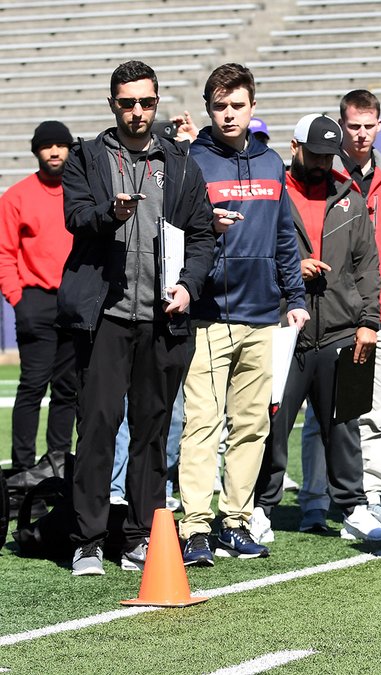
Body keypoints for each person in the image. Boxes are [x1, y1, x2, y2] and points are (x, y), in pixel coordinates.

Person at [61, 61, 216, 576]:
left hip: (161, 317)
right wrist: (112, 214)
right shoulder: (87, 156)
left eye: (145, 102)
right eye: (127, 102)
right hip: (104, 315)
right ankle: (86, 540)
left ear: (156, 103)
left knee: (153, 430)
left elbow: (201, 234)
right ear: (112, 104)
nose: (136, 111)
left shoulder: (178, 162)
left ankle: (139, 536)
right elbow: (76, 216)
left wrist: (189, 286)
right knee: (99, 426)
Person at [176, 64, 309, 566]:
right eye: (219, 107)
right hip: (208, 314)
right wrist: (205, 224)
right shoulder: (190, 161)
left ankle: (235, 521)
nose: (228, 115)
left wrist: (293, 297)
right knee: (202, 425)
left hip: (261, 315)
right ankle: (194, 528)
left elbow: (282, 238)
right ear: (209, 108)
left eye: (237, 106)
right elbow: (171, 230)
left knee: (253, 426)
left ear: (253, 108)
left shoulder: (274, 164)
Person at [251, 113, 381, 544]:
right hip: (283, 328)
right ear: (294, 147)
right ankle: (259, 507)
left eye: (329, 155)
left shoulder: (348, 194)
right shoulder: (271, 193)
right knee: (271, 424)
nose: (322, 163)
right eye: (314, 154)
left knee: (345, 423)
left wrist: (369, 322)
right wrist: (292, 270)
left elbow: (368, 265)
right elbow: (253, 254)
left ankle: (352, 508)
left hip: (339, 329)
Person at [287, 89, 381, 532]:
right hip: (326, 317)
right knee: (318, 421)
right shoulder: (327, 172)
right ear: (342, 126)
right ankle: (312, 499)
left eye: (369, 126)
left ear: (379, 126)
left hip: (375, 316)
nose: (361, 133)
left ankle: (367, 497)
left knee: (370, 414)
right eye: (354, 125)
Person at [0, 121, 77, 474]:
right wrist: (17, 298)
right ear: (37, 152)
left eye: (62, 145)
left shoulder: (80, 191)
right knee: (33, 386)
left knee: (67, 390)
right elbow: (4, 252)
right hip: (35, 301)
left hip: (74, 302)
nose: (55, 151)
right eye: (48, 146)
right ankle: (20, 474)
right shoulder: (15, 197)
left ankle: (56, 469)